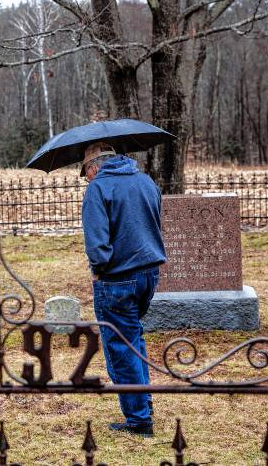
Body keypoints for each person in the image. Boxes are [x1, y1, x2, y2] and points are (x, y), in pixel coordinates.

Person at [80, 142, 166, 437]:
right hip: (148, 275)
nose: (88, 179)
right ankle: (144, 402)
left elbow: (97, 244)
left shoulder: (98, 189)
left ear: (93, 167)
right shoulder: (146, 181)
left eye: (86, 174)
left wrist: (98, 270)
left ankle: (139, 420)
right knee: (133, 336)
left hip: (116, 279)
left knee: (120, 345)